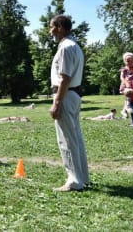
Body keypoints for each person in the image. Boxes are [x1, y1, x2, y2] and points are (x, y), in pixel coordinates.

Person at [49, 14, 89, 192]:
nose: (50, 31)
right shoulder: (75, 46)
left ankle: (74, 180)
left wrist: (57, 102)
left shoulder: (66, 47)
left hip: (66, 94)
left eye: (52, 27)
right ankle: (83, 177)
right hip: (73, 95)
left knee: (66, 139)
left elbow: (65, 78)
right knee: (76, 138)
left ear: (60, 27)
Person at [120, 52, 133, 118]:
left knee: (132, 95)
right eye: (128, 61)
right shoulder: (124, 69)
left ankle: (124, 110)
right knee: (128, 93)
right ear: (124, 61)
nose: (130, 62)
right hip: (127, 84)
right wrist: (125, 82)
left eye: (132, 61)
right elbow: (122, 77)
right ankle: (128, 106)